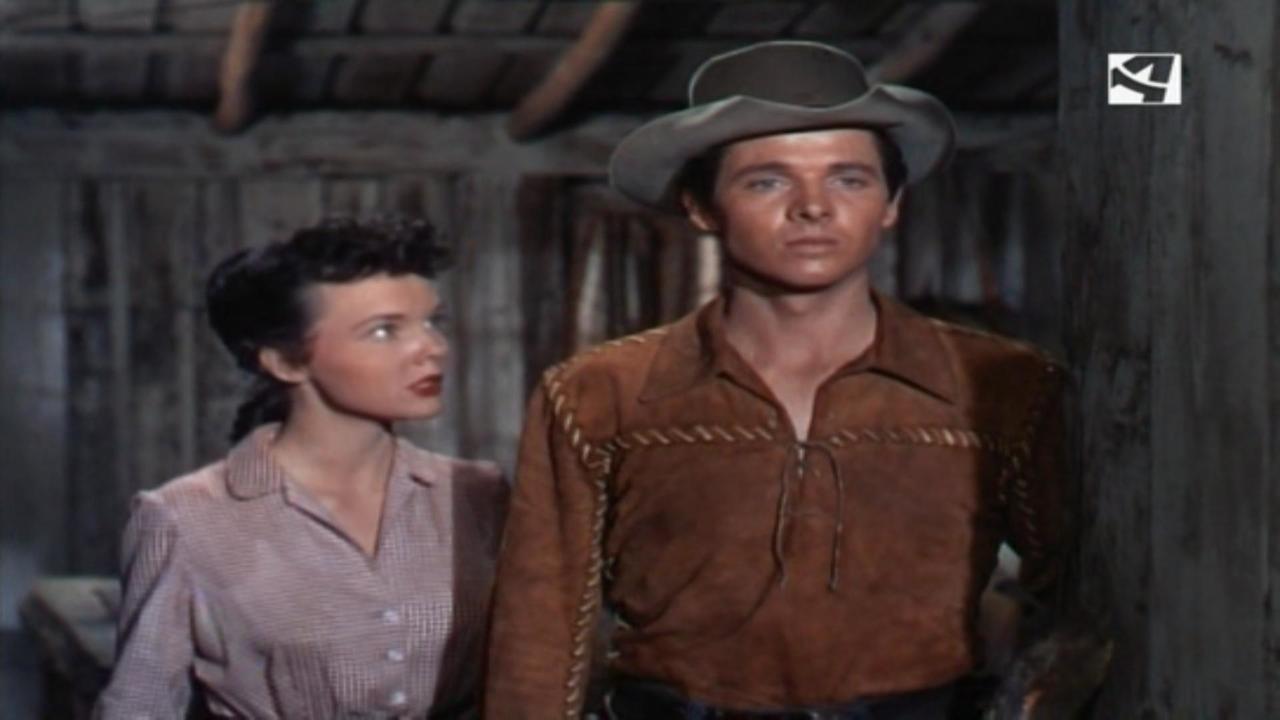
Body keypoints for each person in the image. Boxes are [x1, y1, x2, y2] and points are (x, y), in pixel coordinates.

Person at [485, 41, 1071, 719]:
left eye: (849, 179)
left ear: (891, 203)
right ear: (701, 206)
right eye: (767, 181)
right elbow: (538, 629)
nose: (813, 207)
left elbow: (1084, 598)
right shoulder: (600, 395)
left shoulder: (1003, 387)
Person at [96, 217, 507, 719]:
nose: (433, 347)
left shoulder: (476, 494)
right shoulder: (185, 519)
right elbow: (139, 706)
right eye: (384, 331)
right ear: (286, 362)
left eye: (431, 322)